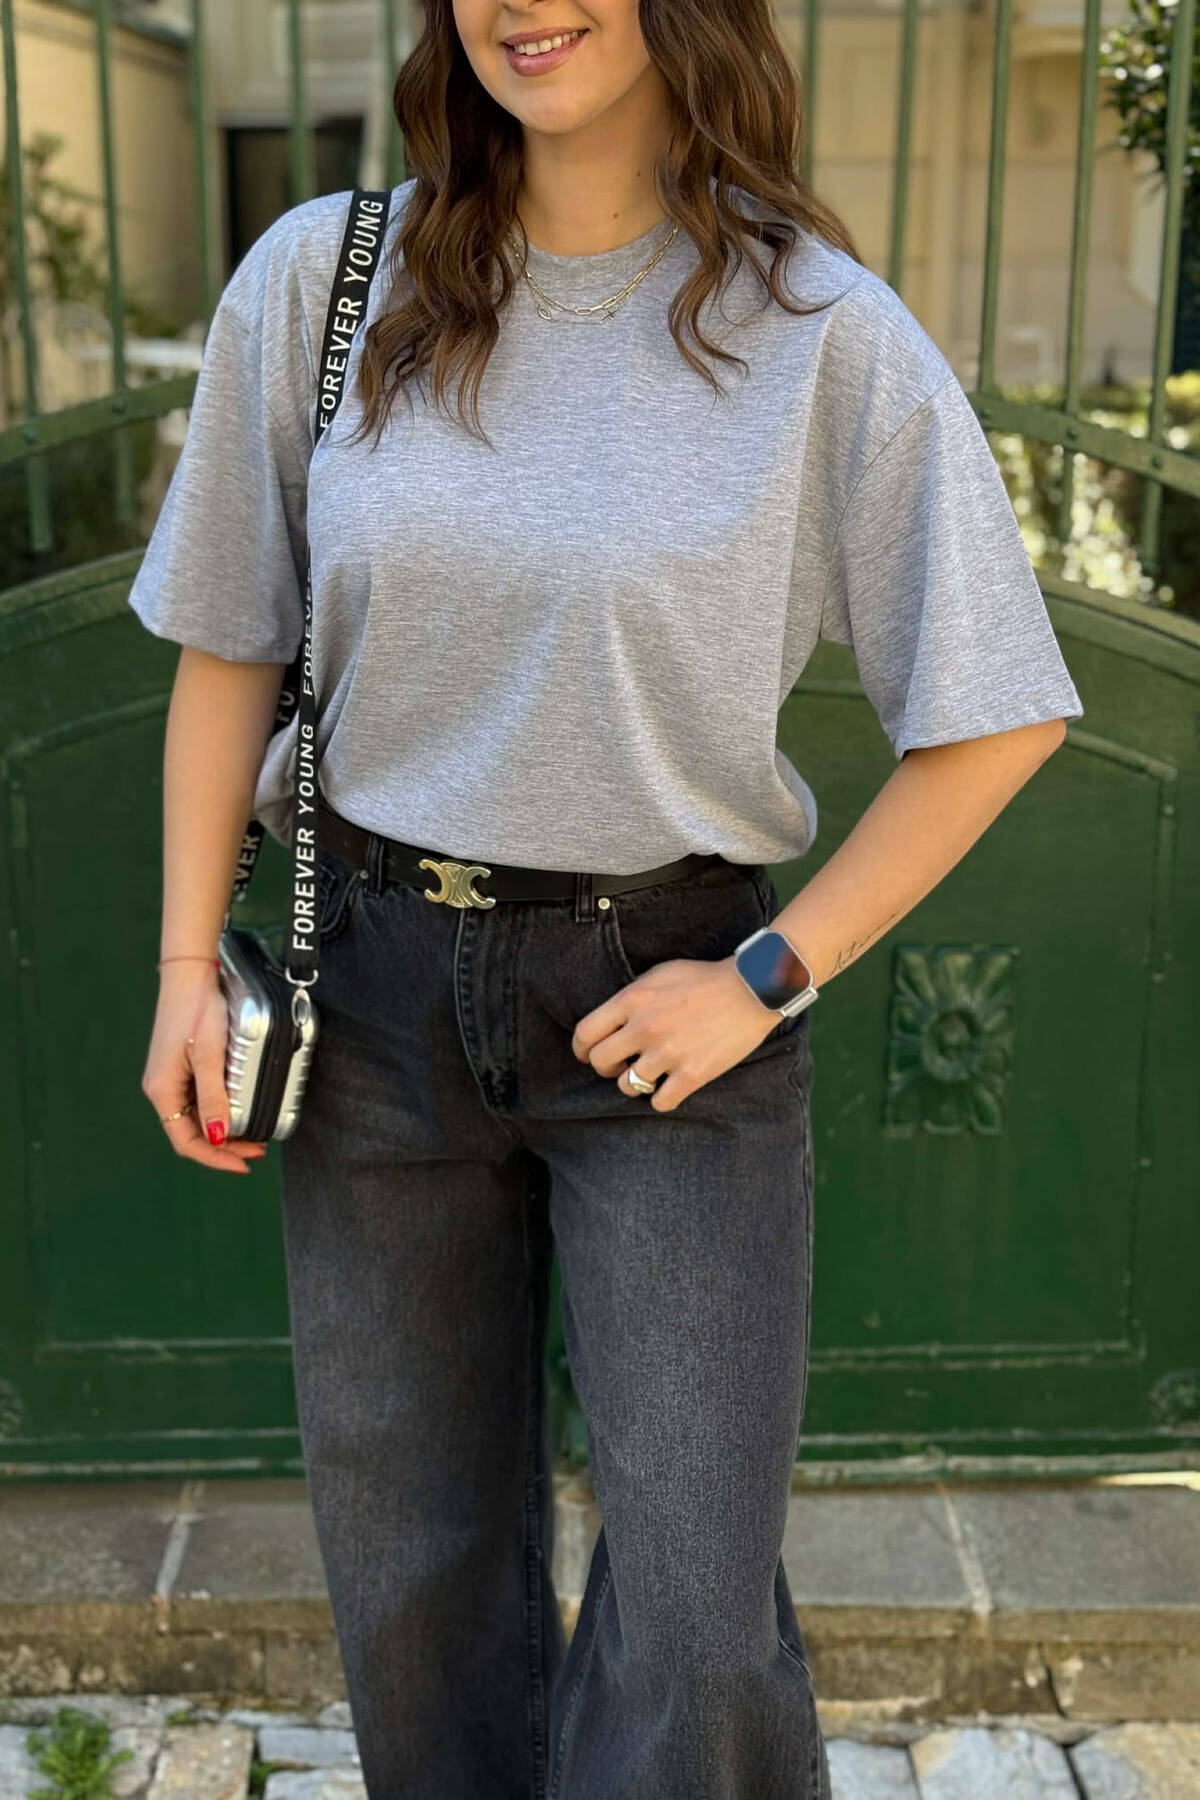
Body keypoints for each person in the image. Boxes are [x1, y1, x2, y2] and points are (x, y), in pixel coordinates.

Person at [129, 1, 1085, 1794]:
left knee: (699, 1614)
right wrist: (190, 960)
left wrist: (770, 974)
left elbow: (1000, 715)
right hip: (377, 993)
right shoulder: (328, 282)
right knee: (414, 1574)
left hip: (668, 997)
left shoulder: (816, 331)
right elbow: (229, 642)